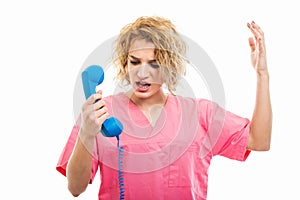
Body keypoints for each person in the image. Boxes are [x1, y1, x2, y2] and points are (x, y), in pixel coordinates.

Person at [56, 16, 272, 200]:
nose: (142, 73)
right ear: (125, 63)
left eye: (155, 63)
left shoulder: (200, 114)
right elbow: (75, 188)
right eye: (135, 62)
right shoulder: (101, 113)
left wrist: (262, 74)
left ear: (170, 65)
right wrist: (86, 132)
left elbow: (259, 141)